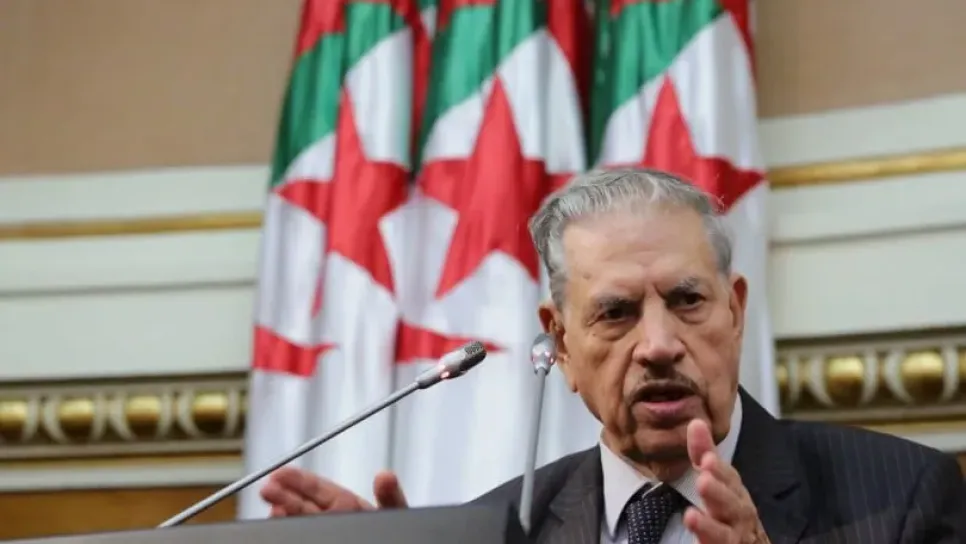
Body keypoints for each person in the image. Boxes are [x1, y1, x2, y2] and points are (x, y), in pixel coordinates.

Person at [259, 169, 966, 543]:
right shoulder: (500, 531)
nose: (658, 345)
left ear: (735, 311)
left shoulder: (901, 497)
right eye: (617, 313)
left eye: (687, 300)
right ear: (562, 344)